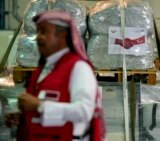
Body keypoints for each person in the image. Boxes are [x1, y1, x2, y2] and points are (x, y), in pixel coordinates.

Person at [5, 11, 105, 141]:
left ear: (62, 36)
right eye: (38, 32)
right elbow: (48, 110)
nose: (38, 37)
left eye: (44, 32)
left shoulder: (78, 68)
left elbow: (84, 111)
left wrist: (39, 106)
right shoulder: (42, 71)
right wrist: (24, 118)